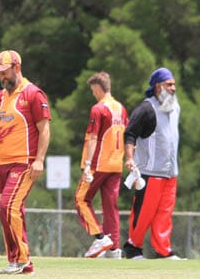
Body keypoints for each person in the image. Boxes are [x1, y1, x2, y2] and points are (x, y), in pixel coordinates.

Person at [0, 50, 51, 275]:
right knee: (10, 212)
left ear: (17, 67)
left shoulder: (33, 94)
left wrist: (39, 160)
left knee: (9, 207)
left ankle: (20, 260)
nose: (1, 77)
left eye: (4, 72)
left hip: (24, 163)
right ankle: (22, 262)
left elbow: (44, 129)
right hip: (2, 163)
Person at [122, 67, 184, 260]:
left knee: (164, 214)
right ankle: (133, 248)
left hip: (170, 173)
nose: (173, 88)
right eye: (169, 84)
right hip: (150, 172)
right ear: (158, 86)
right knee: (144, 213)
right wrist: (129, 157)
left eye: (174, 84)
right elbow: (130, 133)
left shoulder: (175, 108)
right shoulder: (146, 109)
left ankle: (163, 251)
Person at [74, 72, 128, 259]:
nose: (93, 93)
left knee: (81, 199)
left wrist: (87, 164)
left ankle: (100, 237)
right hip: (116, 164)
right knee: (110, 206)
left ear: (98, 88)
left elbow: (93, 137)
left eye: (92, 90)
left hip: (98, 163)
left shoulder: (98, 109)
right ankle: (114, 249)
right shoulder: (121, 108)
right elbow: (128, 134)